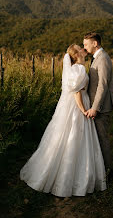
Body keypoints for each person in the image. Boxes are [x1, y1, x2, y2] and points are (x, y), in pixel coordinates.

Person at [20, 44, 106, 197]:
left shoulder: (75, 69)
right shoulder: (78, 69)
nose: (83, 49)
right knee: (75, 138)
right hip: (77, 108)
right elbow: (77, 93)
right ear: (77, 54)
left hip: (69, 107)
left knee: (67, 137)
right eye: (81, 48)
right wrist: (83, 110)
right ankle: (73, 180)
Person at [83, 32, 113, 174]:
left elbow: (102, 85)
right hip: (96, 106)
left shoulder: (102, 59)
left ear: (95, 43)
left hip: (101, 108)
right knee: (97, 140)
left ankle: (107, 173)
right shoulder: (97, 58)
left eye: (86, 44)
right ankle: (100, 170)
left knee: (102, 140)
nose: (84, 47)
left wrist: (95, 108)